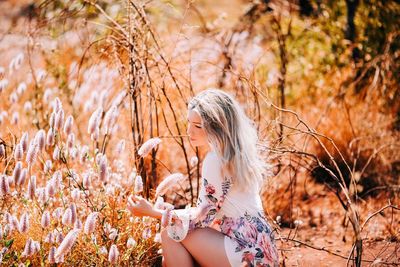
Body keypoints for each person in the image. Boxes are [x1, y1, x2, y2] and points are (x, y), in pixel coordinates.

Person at [127, 89, 279, 267]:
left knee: (171, 232)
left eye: (198, 126)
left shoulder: (215, 160)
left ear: (218, 127)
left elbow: (203, 217)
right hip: (262, 247)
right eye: (189, 122)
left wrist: (152, 211)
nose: (189, 131)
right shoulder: (238, 155)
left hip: (245, 254)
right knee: (177, 232)